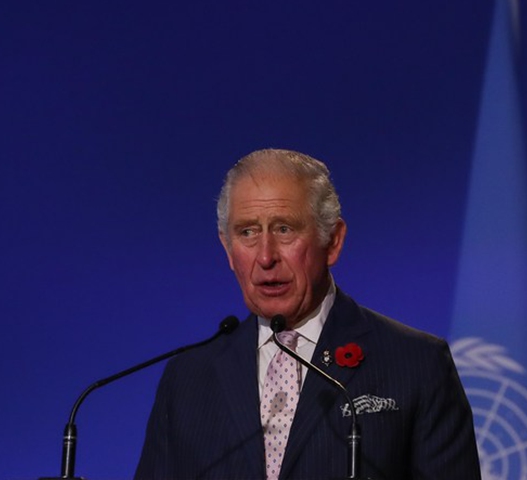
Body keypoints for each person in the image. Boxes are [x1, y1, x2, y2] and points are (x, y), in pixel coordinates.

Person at [135, 148, 480, 479]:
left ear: (332, 241)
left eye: (285, 229)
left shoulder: (416, 364)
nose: (266, 256)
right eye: (247, 233)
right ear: (227, 248)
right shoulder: (187, 379)